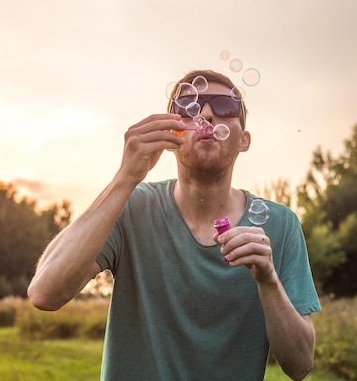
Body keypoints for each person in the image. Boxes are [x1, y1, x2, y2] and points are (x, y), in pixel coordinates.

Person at [27, 69, 321, 380]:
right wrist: (125, 177)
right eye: (189, 108)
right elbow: (45, 294)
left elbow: (300, 366)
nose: (206, 113)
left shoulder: (280, 226)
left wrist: (269, 281)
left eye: (225, 107)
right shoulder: (132, 205)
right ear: (171, 134)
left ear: (244, 140)